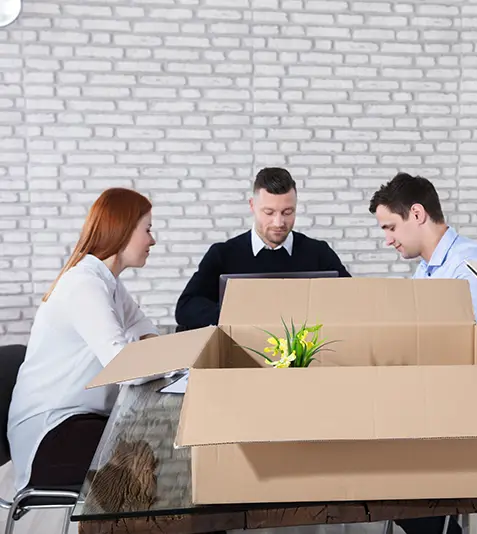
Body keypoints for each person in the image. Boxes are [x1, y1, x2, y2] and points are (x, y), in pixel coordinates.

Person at [369, 172, 477, 534]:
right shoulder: (429, 270)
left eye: (390, 227)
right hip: (459, 404)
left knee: (388, 461)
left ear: (417, 214)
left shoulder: (469, 266)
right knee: (372, 446)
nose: (388, 240)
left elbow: (459, 351)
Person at [7, 188, 160, 493]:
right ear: (123, 231)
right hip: (50, 434)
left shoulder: (109, 284)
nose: (152, 240)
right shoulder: (84, 284)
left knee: (156, 455)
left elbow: (148, 335)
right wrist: (166, 362)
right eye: (148, 229)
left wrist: (156, 356)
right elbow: (123, 366)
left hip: (79, 420)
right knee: (148, 467)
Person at [175, 167, 351, 329]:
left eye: (288, 212)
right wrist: (236, 316)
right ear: (252, 206)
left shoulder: (319, 252)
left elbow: (353, 301)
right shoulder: (223, 254)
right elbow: (186, 307)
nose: (279, 222)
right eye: (269, 212)